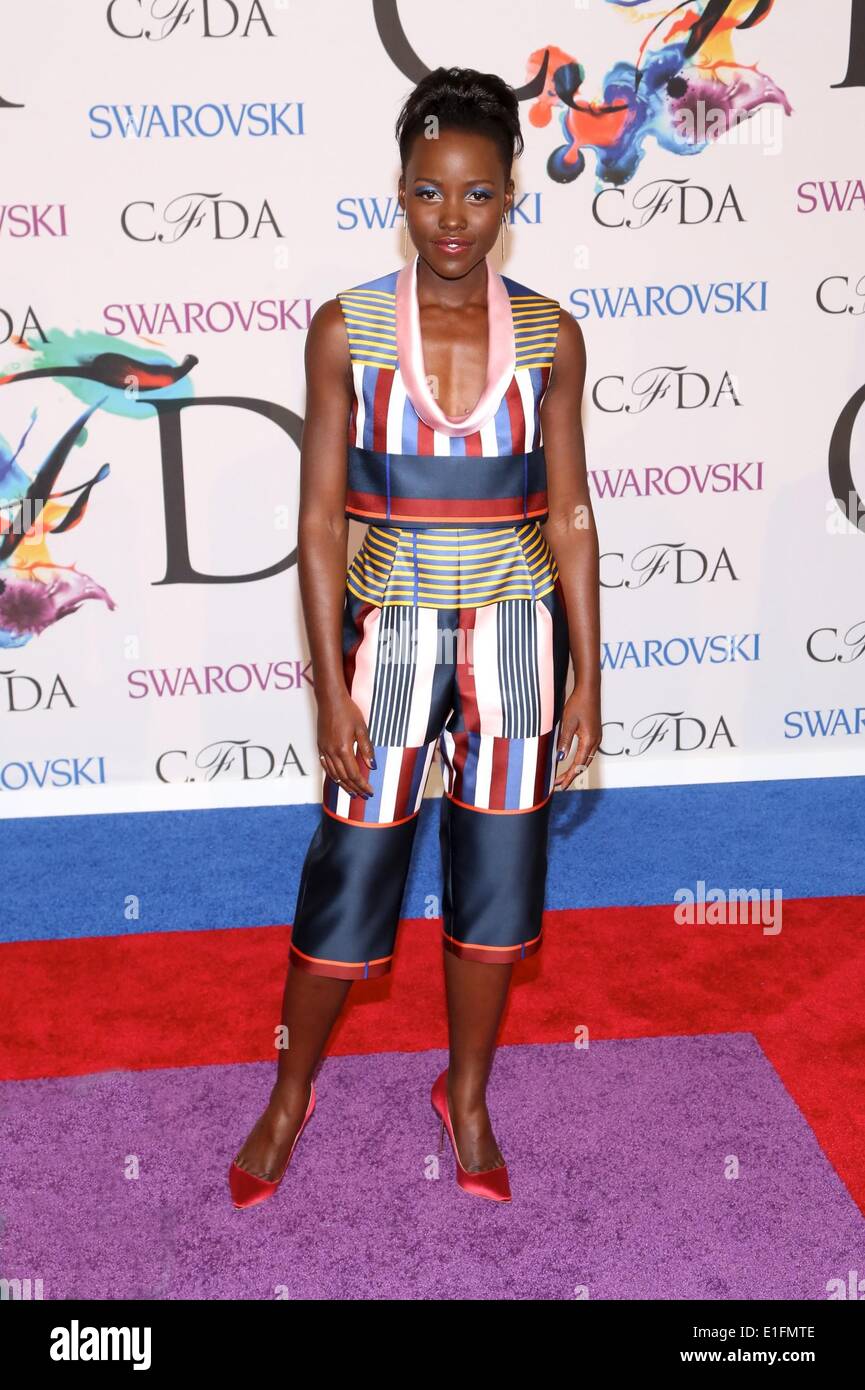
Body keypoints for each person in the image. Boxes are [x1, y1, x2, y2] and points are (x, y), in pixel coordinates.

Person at [229, 66, 601, 1208]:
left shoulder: (551, 335)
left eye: (479, 194)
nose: (453, 219)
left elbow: (571, 513)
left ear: (509, 197)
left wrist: (589, 670)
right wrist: (329, 697)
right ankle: (289, 1096)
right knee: (350, 873)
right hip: (385, 642)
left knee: (496, 886)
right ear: (401, 190)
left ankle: (469, 1096)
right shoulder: (345, 328)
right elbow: (315, 521)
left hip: (514, 643)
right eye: (432, 193)